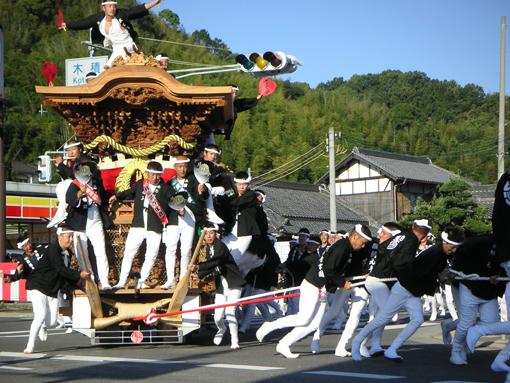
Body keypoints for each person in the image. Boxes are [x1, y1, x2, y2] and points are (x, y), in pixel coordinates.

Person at [351, 224, 465, 363]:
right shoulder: (434, 252)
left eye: (455, 247)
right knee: (383, 318)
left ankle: (392, 349)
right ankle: (356, 343)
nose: (453, 250)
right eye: (451, 246)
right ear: (444, 242)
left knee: (417, 319)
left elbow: (430, 274)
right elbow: (424, 275)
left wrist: (442, 275)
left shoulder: (439, 252)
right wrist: (439, 278)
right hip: (405, 288)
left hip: (413, 290)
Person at [256, 224, 372, 359]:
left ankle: (284, 343)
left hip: (321, 288)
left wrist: (361, 275)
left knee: (314, 324)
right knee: (303, 318)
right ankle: (269, 325)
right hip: (313, 285)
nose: (363, 246)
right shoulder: (343, 247)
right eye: (363, 243)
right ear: (355, 236)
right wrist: (342, 283)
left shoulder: (346, 247)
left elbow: (339, 269)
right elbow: (329, 270)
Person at [19, 226, 90, 354]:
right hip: (38, 286)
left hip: (53, 289)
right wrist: (79, 275)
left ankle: (43, 326)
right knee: (40, 315)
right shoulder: (52, 249)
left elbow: (64, 275)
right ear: (60, 237)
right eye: (68, 236)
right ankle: (30, 345)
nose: (70, 239)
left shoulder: (68, 252)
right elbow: (60, 269)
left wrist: (78, 285)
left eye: (71, 236)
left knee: (51, 322)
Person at [110, 162, 171, 289]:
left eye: (158, 175)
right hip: (138, 224)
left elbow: (173, 202)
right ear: (147, 174)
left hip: (155, 226)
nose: (155, 177)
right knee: (129, 253)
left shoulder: (166, 189)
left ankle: (142, 281)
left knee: (151, 255)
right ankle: (122, 281)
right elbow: (128, 193)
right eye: (153, 174)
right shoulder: (140, 185)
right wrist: (116, 196)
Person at [449, 235, 506, 366]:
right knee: (467, 321)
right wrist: (454, 269)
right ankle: (456, 350)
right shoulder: (480, 241)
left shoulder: (505, 247)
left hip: (490, 290)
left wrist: (500, 275)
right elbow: (462, 250)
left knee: (491, 322)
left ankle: (459, 331)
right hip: (471, 285)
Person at [62, 0, 162, 67]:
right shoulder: (98, 18)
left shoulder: (121, 14)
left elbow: (137, 10)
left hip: (129, 48)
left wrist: (155, 2)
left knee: (120, 69)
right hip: (116, 49)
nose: (112, 8)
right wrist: (67, 25)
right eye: (109, 6)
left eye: (114, 6)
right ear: (103, 8)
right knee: (106, 70)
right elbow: (83, 23)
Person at [195, 224, 245, 349]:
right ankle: (222, 329)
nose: (209, 236)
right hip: (221, 285)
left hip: (234, 283)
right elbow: (212, 267)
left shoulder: (221, 246)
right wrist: (199, 275)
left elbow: (216, 261)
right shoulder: (207, 249)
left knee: (230, 312)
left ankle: (235, 340)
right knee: (217, 317)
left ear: (216, 234)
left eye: (211, 233)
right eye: (206, 234)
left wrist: (198, 268)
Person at [65, 162, 113, 290]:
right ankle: (90, 280)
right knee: (82, 254)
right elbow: (69, 199)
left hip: (96, 222)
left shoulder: (96, 184)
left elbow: (102, 198)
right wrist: (80, 193)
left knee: (101, 252)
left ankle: (105, 281)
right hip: (79, 224)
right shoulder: (74, 185)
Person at [163, 156, 208, 288]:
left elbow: (203, 198)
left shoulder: (194, 180)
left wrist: (201, 192)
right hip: (173, 219)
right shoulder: (169, 184)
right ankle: (170, 280)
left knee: (186, 250)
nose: (182, 169)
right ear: (175, 168)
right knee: (170, 249)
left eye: (185, 166)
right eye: (180, 166)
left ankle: (183, 279)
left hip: (190, 217)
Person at [362, 222, 402, 356]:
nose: (379, 234)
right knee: (383, 313)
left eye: (383, 232)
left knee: (382, 316)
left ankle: (375, 345)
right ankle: (361, 343)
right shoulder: (378, 245)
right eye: (380, 232)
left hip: (386, 284)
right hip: (375, 282)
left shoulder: (394, 246)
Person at [282, 227, 312, 315]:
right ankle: (289, 321)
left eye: (303, 236)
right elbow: (289, 261)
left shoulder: (310, 250)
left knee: (296, 301)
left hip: (303, 279)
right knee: (291, 301)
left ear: (307, 238)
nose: (301, 238)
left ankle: (296, 320)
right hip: (292, 279)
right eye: (300, 236)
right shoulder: (294, 248)